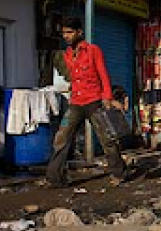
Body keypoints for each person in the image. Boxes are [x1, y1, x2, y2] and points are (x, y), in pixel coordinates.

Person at [46, 17, 127, 187]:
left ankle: (119, 173)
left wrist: (107, 97)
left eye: (69, 32)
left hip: (94, 101)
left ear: (79, 32)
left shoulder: (93, 50)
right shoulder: (67, 54)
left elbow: (103, 74)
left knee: (108, 139)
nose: (66, 36)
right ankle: (55, 178)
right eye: (64, 33)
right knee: (61, 138)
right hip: (75, 102)